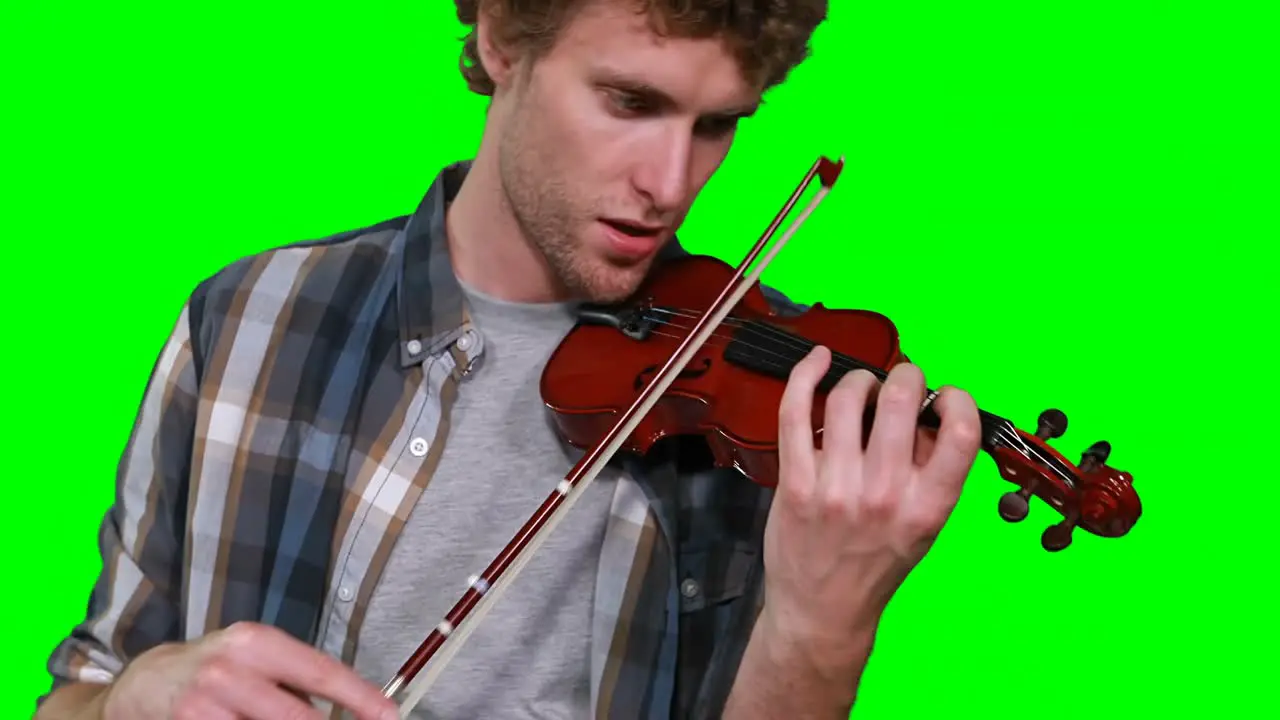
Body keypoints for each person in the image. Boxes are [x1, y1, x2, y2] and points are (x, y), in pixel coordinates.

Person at [34, 0, 983, 718]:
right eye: (629, 101)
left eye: (715, 125)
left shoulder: (787, 416)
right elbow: (79, 692)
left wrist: (821, 629)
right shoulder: (249, 317)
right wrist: (133, 698)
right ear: (498, 36)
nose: (670, 183)